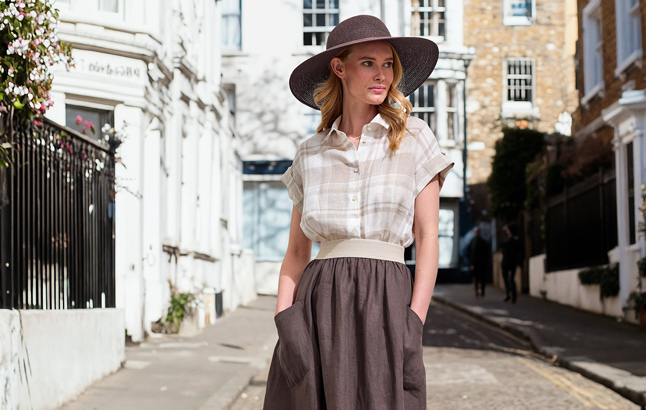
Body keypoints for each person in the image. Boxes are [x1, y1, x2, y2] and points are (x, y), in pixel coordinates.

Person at [262, 15, 453, 410]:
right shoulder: (310, 152)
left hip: (386, 299)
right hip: (319, 304)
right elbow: (297, 252)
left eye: (388, 64)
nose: (381, 74)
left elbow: (429, 236)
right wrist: (285, 319)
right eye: (368, 63)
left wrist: (414, 321)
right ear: (339, 67)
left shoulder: (415, 138)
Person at [501, 223, 522, 303]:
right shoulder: (517, 239)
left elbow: (504, 250)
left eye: (507, 230)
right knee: (511, 279)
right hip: (513, 262)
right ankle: (513, 295)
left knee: (507, 278)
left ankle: (509, 294)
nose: (506, 231)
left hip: (507, 261)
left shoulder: (509, 240)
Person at [468, 227, 489, 298]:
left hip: (480, 263)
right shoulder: (474, 241)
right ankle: (478, 291)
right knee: (477, 278)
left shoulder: (476, 241)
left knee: (480, 278)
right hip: (478, 263)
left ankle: (481, 291)